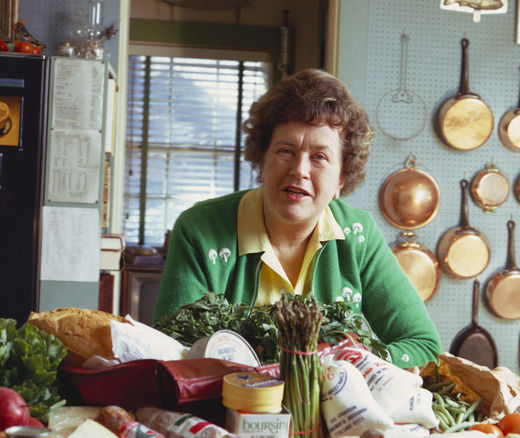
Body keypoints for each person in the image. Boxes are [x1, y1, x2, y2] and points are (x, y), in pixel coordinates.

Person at [153, 69, 442, 368]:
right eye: (285, 151)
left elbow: (424, 346)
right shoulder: (199, 229)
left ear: (342, 177)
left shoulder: (359, 236)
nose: (299, 170)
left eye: (319, 157)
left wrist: (356, 362)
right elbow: (171, 349)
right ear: (262, 161)